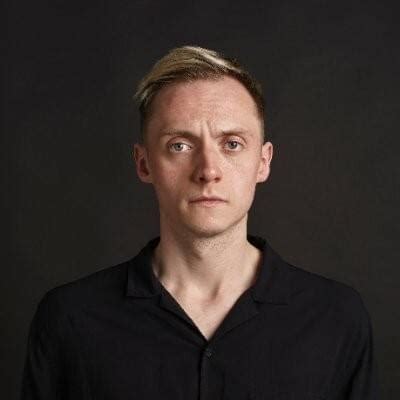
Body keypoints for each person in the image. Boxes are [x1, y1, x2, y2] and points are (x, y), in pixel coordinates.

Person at [20, 46, 380, 399]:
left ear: (263, 162)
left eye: (232, 144)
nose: (208, 170)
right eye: (180, 145)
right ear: (144, 164)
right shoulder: (71, 318)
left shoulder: (336, 317)